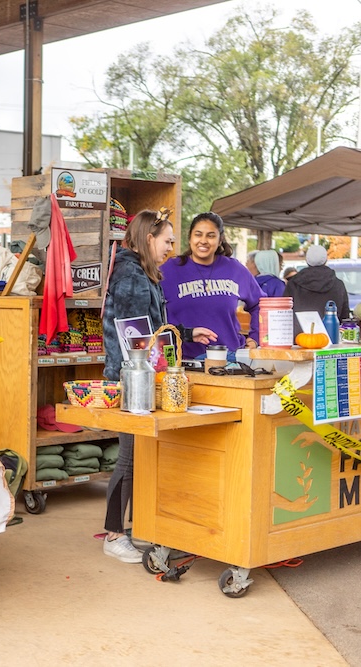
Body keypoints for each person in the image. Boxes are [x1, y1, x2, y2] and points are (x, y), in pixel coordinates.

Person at [101, 209, 217, 563]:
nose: (171, 247)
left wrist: (184, 334)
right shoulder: (133, 276)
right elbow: (136, 335)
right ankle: (114, 534)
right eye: (167, 240)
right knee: (131, 457)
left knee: (142, 456)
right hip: (133, 379)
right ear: (147, 238)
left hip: (142, 376)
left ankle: (140, 526)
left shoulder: (142, 273)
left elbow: (151, 328)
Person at [160, 212, 263, 360]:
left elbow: (261, 304)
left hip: (228, 360)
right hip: (182, 363)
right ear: (190, 238)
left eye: (210, 235)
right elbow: (153, 315)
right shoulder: (169, 271)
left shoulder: (235, 270)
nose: (203, 241)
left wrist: (255, 338)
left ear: (220, 240)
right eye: (198, 234)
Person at [283, 245, 350, 336]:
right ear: (326, 260)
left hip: (299, 339)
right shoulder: (338, 285)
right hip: (331, 337)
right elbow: (344, 316)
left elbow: (285, 313)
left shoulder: (293, 283)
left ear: (307, 260)